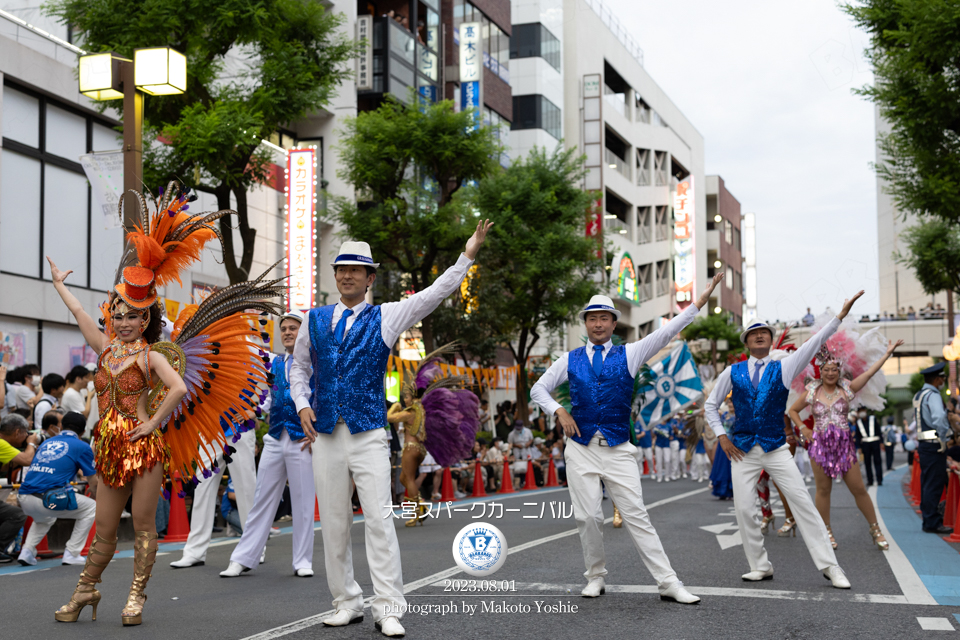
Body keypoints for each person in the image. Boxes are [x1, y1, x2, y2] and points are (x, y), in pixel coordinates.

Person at [46, 182, 281, 625]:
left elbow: (176, 389)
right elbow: (80, 314)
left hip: (143, 447)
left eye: (133, 315)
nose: (124, 321)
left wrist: (152, 423)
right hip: (110, 448)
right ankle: (85, 591)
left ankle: (135, 598)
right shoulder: (107, 349)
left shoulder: (152, 355)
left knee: (145, 525)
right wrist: (60, 286)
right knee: (108, 529)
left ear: (147, 317)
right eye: (119, 315)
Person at [292, 223, 492, 637]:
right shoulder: (313, 320)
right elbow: (299, 368)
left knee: (380, 521)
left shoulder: (386, 316)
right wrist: (303, 403)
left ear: (370, 279)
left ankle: (388, 607)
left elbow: (433, 293)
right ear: (335, 276)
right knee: (332, 521)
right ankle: (345, 601)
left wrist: (467, 254)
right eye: (341, 269)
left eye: (356, 270)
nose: (347, 275)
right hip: (326, 434)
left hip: (367, 435)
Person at [531, 273, 724, 606]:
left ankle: (668, 582)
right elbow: (538, 389)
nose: (598, 324)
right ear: (586, 323)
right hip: (580, 449)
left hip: (619, 448)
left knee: (637, 515)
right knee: (588, 516)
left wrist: (699, 303)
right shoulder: (569, 359)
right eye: (592, 318)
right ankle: (595, 576)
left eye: (604, 318)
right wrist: (559, 411)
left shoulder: (632, 354)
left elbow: (667, 330)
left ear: (613, 323)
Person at [704, 291, 863, 590]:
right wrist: (723, 437)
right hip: (742, 450)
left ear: (771, 339)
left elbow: (812, 344)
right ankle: (759, 566)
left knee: (803, 503)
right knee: (743, 508)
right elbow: (710, 405)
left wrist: (839, 318)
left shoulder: (784, 366)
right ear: (747, 342)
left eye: (764, 333)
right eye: (754, 334)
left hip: (776, 448)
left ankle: (831, 567)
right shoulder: (732, 371)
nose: (760, 337)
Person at [221, 310, 316, 578]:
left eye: (293, 328)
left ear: (304, 333)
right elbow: (267, 396)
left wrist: (318, 431)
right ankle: (243, 557)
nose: (287, 332)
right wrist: (254, 408)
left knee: (303, 502)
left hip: (302, 440)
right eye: (283, 328)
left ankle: (302, 561)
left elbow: (321, 398)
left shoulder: (315, 363)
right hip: (275, 437)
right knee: (261, 499)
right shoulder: (273, 363)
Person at [787, 338, 901, 550]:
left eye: (834, 369)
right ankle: (826, 531)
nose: (831, 373)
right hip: (819, 448)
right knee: (823, 490)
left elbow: (868, 374)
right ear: (820, 371)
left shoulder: (847, 389)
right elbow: (792, 410)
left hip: (845, 448)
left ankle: (875, 529)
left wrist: (887, 354)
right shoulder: (812, 391)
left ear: (840, 371)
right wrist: (803, 428)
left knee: (858, 488)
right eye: (827, 369)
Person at [386, 347, 480, 525]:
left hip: (411, 448)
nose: (404, 398)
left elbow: (389, 417)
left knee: (408, 478)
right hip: (419, 449)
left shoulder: (410, 411)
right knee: (403, 478)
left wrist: (395, 407)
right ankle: (420, 505)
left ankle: (418, 512)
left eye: (405, 396)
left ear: (410, 396)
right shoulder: (421, 409)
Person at [16, 411, 97, 566]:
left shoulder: (47, 442)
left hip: (24, 497)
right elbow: (93, 483)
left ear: (61, 426)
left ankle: (27, 551)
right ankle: (72, 553)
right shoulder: (82, 446)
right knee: (92, 507)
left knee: (45, 518)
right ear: (83, 431)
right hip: (49, 500)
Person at [914, 362, 960, 534]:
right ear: (936, 379)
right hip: (935, 445)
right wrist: (945, 436)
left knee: (927, 482)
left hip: (925, 445)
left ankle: (929, 518)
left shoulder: (919, 394)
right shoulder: (932, 395)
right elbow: (939, 417)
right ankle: (932, 522)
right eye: (942, 378)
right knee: (934, 483)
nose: (943, 381)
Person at [0, 414, 38, 562]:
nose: (26, 437)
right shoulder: (2, 443)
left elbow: (5, 465)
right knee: (16, 515)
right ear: (17, 432)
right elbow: (27, 460)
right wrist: (32, 444)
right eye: (25, 433)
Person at [709, 397, 734, 500]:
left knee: (730, 467)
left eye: (732, 402)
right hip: (722, 443)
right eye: (729, 403)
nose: (730, 404)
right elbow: (711, 409)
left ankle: (731, 490)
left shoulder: (740, 416)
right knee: (721, 467)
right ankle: (721, 491)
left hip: (733, 443)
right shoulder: (724, 415)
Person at [855, 409, 884, 487]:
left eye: (862, 410)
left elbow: (879, 430)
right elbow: (857, 436)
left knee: (877, 461)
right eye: (859, 411)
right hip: (865, 444)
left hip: (875, 442)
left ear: (865, 411)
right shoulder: (858, 422)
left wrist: (881, 442)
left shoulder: (873, 418)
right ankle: (870, 480)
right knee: (867, 463)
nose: (861, 413)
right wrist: (859, 447)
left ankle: (879, 480)